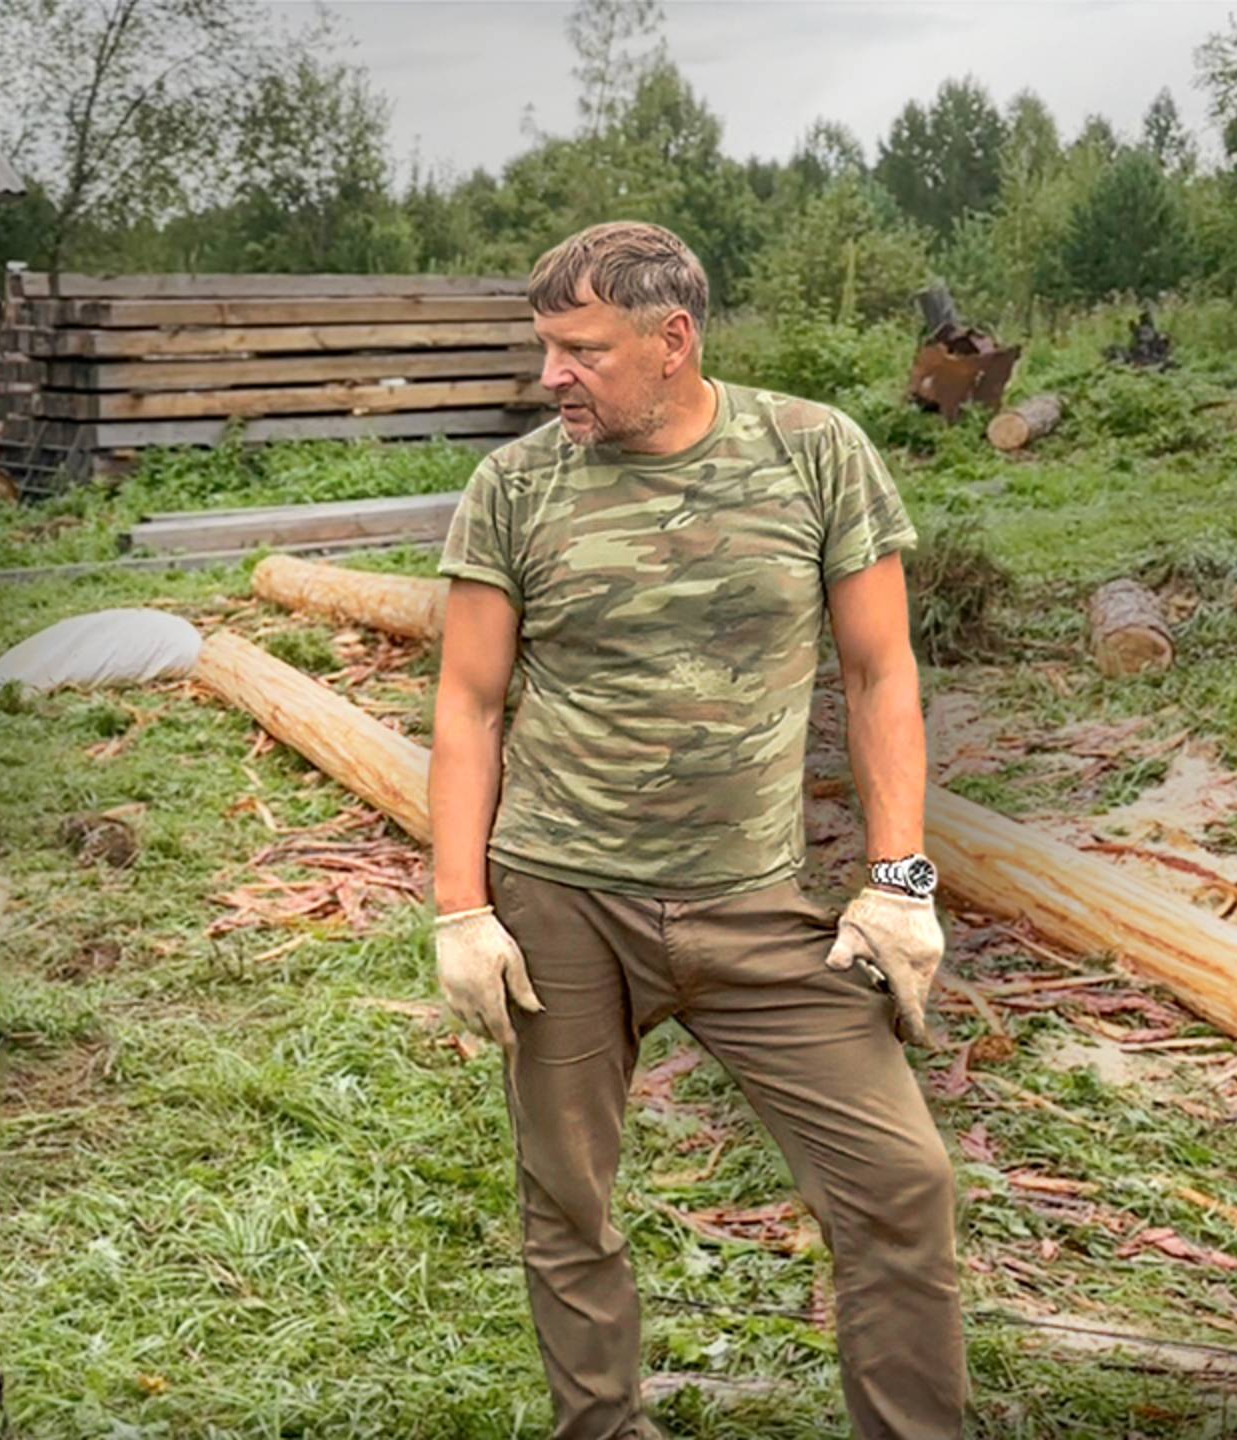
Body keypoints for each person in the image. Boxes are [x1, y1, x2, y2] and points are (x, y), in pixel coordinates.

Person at [428, 221, 964, 1439]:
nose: (550, 376)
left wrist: (897, 880)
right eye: (543, 349)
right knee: (567, 1199)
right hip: (560, 905)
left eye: (579, 350)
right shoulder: (513, 487)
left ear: (671, 340)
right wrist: (461, 908)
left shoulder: (812, 452)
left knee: (900, 1183)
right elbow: (466, 703)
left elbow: (882, 675)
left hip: (758, 906)